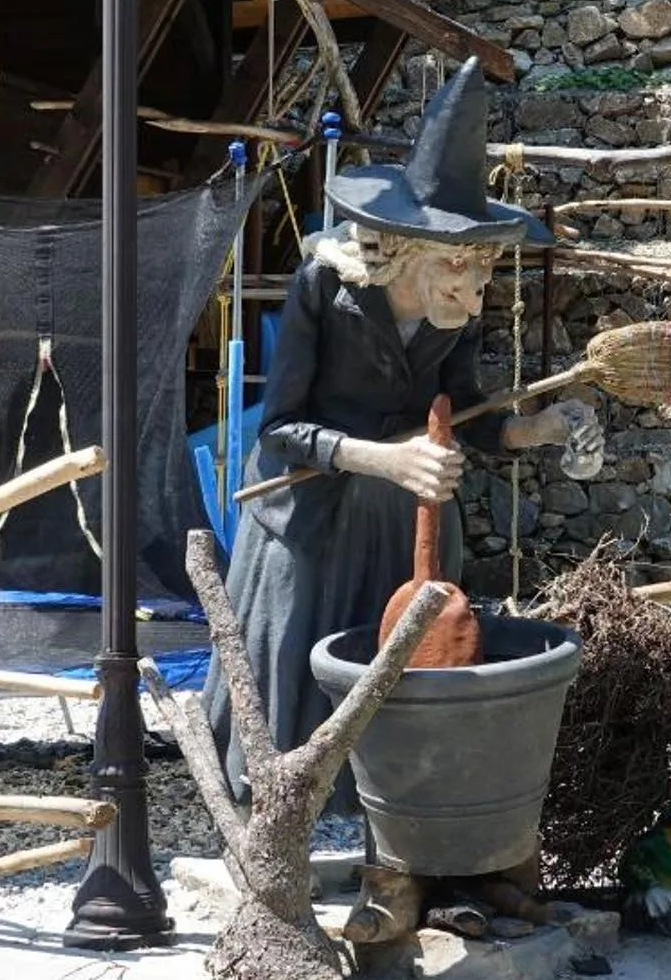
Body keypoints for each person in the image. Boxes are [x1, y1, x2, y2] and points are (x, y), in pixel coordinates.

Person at [209, 60, 595, 792]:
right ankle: (284, 799)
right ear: (408, 253)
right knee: (305, 658)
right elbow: (280, 427)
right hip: (311, 514)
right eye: (460, 270)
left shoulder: (454, 314)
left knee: (413, 653)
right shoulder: (324, 287)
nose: (475, 296)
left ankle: (387, 798)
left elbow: (463, 413)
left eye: (484, 274)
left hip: (408, 523)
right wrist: (383, 460)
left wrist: (533, 431)